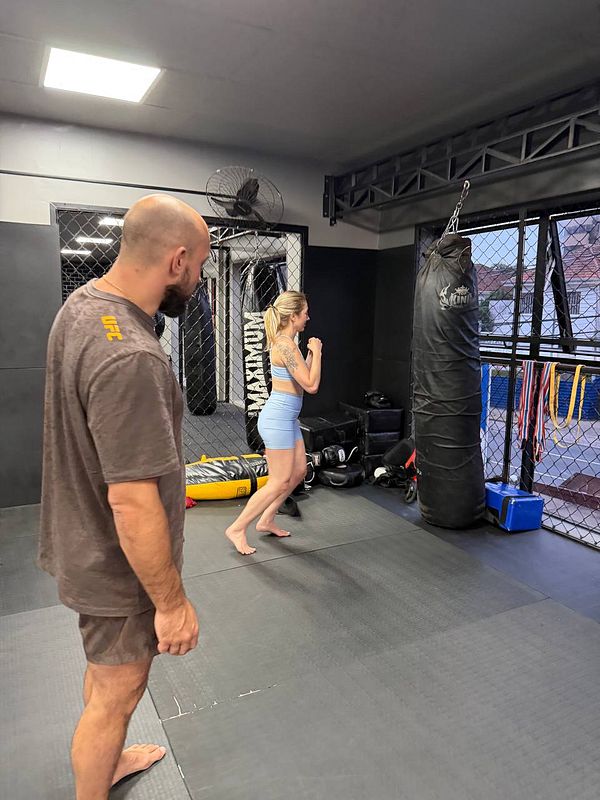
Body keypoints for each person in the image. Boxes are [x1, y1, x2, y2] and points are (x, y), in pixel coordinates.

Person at [39, 194, 210, 800]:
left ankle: (105, 765)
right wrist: (170, 603)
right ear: (177, 260)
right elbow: (132, 501)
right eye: (200, 266)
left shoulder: (83, 307)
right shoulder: (133, 355)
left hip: (81, 540)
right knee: (117, 694)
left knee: (105, 675)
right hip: (116, 564)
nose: (200, 279)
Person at [225, 290, 322, 555]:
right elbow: (311, 385)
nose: (307, 318)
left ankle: (266, 519)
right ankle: (237, 527)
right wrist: (318, 352)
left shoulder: (288, 342)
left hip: (287, 418)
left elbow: (302, 378)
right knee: (278, 481)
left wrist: (310, 355)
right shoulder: (284, 345)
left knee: (299, 470)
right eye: (304, 313)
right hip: (277, 419)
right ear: (293, 316)